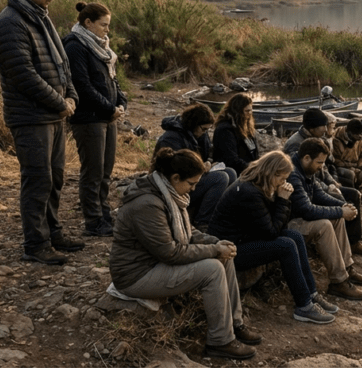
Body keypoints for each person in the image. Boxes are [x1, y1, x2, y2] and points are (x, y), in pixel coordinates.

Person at [109, 148, 261, 360]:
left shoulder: (168, 193)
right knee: (212, 268)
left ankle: (235, 324)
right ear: (175, 177)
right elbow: (170, 252)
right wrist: (214, 250)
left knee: (223, 259)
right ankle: (220, 341)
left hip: (153, 265)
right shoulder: (147, 204)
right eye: (191, 184)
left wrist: (216, 243)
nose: (194, 189)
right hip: (136, 275)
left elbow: (188, 233)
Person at [0, 0, 84, 265]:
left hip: (53, 116)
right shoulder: (10, 22)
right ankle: (36, 244)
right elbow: (23, 74)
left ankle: (53, 231)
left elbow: (62, 65)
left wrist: (70, 95)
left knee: (55, 178)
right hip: (30, 117)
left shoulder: (40, 18)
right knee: (37, 180)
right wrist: (60, 102)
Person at [207, 151, 337, 324]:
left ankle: (311, 294)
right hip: (231, 249)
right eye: (282, 179)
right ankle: (304, 305)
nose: (283, 183)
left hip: (244, 238)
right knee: (286, 245)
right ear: (272, 173)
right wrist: (282, 200)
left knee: (295, 236)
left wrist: (281, 199)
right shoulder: (249, 192)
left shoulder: (258, 185)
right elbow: (271, 232)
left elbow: (277, 226)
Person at [63, 1, 127, 237]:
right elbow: (81, 85)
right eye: (104, 25)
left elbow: (112, 81)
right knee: (93, 171)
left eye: (108, 25)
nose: (107, 30)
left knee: (106, 170)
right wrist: (109, 108)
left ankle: (104, 214)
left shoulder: (102, 47)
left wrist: (121, 103)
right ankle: (93, 220)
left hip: (107, 116)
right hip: (89, 117)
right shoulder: (75, 45)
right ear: (87, 23)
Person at [285, 138, 362, 301]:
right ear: (306, 158)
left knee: (337, 219)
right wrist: (340, 210)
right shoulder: (293, 174)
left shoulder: (306, 169)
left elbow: (319, 194)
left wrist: (344, 206)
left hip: (300, 219)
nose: (321, 167)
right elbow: (307, 210)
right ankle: (338, 282)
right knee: (325, 224)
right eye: (319, 162)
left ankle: (346, 268)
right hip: (289, 224)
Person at [283, 108, 362, 256]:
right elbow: (307, 177)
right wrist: (328, 187)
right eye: (323, 126)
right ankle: (342, 243)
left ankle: (354, 241)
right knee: (342, 199)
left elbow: (325, 167)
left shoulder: (316, 139)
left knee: (353, 195)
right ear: (312, 127)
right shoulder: (296, 145)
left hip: (320, 184)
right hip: (309, 190)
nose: (326, 130)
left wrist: (333, 182)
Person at [155, 103, 233, 231]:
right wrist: (200, 167)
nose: (205, 133)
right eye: (203, 129)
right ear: (194, 123)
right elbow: (173, 168)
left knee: (230, 173)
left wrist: (208, 161)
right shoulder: (171, 138)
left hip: (192, 176)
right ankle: (202, 222)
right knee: (221, 178)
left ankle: (220, 215)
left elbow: (207, 153)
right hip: (176, 183)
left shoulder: (198, 135)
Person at [212, 94, 260, 175]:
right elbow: (231, 159)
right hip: (236, 173)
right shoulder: (225, 130)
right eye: (247, 111)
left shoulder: (246, 127)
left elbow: (254, 153)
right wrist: (253, 169)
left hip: (249, 169)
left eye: (251, 110)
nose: (250, 114)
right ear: (237, 111)